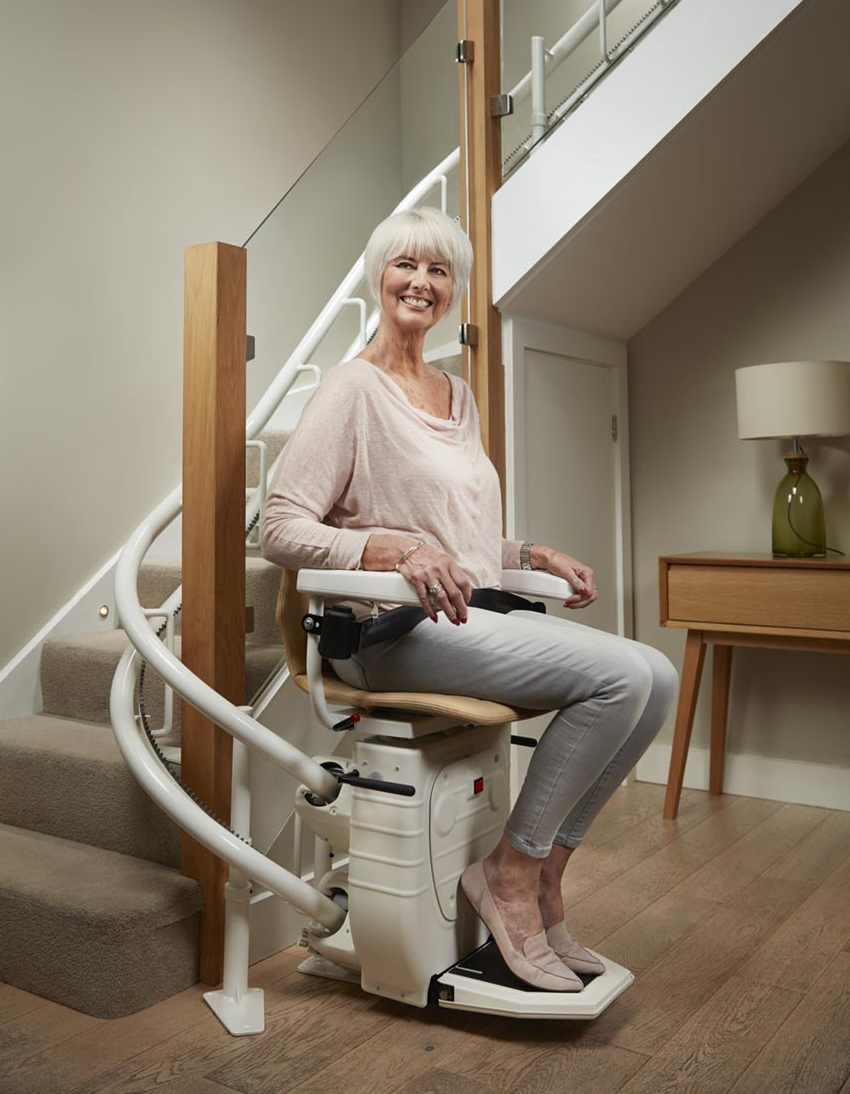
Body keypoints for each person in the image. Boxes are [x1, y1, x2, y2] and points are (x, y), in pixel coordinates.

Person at [260, 205, 679, 993]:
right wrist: (383, 546)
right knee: (619, 677)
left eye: (439, 270)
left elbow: (458, 536)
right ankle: (510, 880)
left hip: (462, 615)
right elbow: (280, 526)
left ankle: (545, 875)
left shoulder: (456, 393)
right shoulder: (353, 389)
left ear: (452, 290)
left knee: (656, 675)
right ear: (378, 276)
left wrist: (526, 554)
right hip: (386, 635)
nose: (422, 282)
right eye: (406, 265)